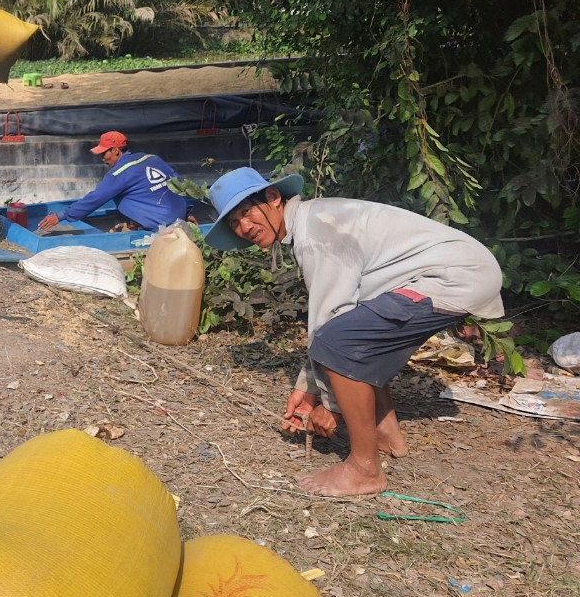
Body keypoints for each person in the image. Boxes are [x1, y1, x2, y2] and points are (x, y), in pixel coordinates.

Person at [203, 167, 504, 497]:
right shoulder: (312, 220)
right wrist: (308, 388)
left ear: (273, 199)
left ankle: (364, 470)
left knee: (340, 341)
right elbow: (338, 316)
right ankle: (386, 434)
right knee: (357, 333)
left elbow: (329, 325)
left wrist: (329, 404)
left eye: (246, 212)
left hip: (454, 276)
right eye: (233, 223)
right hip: (461, 271)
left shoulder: (315, 234)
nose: (244, 227)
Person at [36, 130, 189, 234]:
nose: (102, 159)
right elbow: (180, 183)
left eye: (104, 153)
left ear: (116, 150)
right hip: (179, 217)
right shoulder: (152, 158)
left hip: (161, 227)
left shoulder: (119, 173)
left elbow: (96, 198)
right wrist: (189, 210)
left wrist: (61, 216)